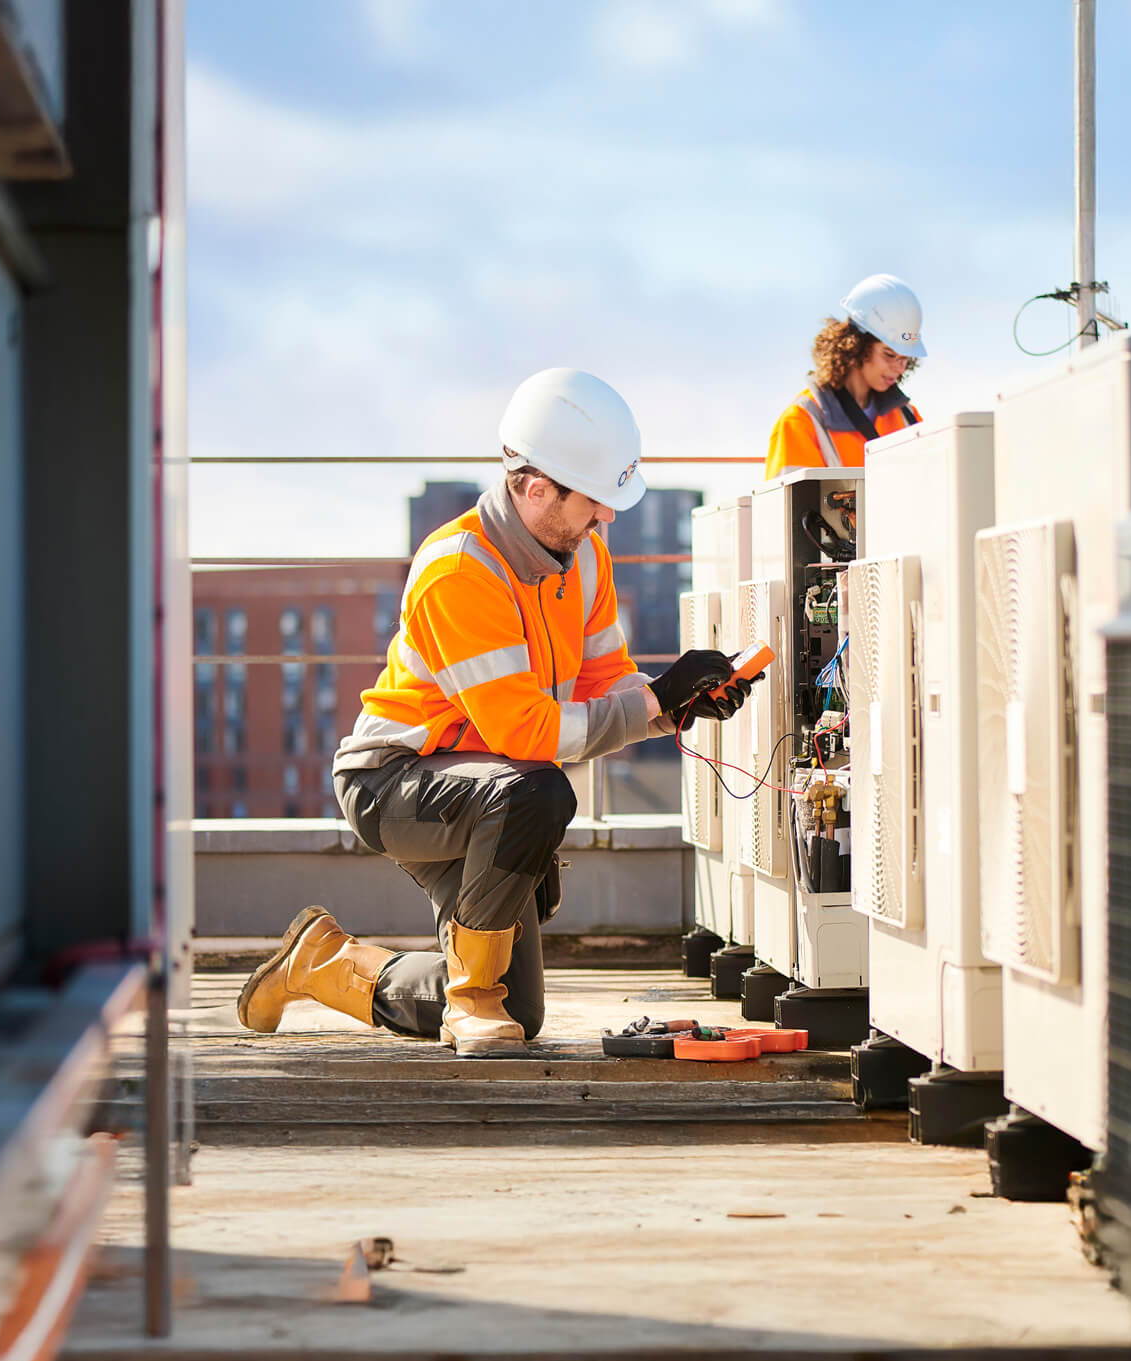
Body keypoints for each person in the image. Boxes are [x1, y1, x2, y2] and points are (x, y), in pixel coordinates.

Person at [235, 368, 754, 1056]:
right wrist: (654, 700)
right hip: (396, 782)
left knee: (524, 1012)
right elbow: (528, 732)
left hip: (489, 785)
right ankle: (469, 998)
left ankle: (324, 964)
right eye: (595, 500)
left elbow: (605, 684)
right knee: (538, 792)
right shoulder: (459, 571)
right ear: (536, 487)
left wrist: (675, 707)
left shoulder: (586, 558)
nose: (608, 517)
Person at [764, 274, 927, 479]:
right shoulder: (801, 421)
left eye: (905, 359)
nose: (899, 368)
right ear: (856, 345)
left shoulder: (907, 417)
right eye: (889, 355)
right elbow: (791, 507)